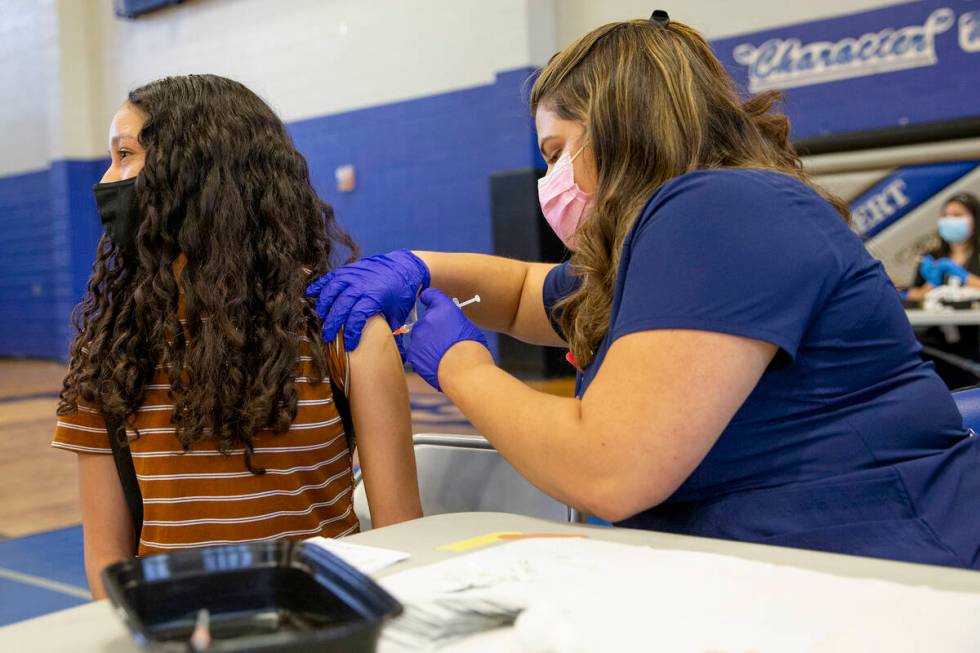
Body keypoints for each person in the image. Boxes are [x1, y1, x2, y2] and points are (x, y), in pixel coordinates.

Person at [307, 14, 980, 569]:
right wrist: (420, 267)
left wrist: (458, 360)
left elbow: (607, 469)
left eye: (554, 150)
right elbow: (521, 295)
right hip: (791, 564)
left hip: (886, 566)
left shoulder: (717, 211)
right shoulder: (672, 234)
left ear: (617, 123)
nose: (551, 179)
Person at [53, 75, 421, 598]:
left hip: (321, 625)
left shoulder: (344, 334)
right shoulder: (109, 351)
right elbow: (107, 565)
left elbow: (402, 539)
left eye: (125, 155)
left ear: (194, 174)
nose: (108, 179)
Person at [906, 192, 980, 389]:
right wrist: (932, 281)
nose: (950, 221)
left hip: (973, 336)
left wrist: (962, 276)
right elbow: (913, 297)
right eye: (946, 215)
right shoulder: (932, 257)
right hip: (938, 335)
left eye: (958, 215)